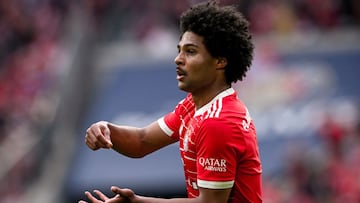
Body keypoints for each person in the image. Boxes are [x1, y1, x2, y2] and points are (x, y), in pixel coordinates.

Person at [79, 0, 262, 202]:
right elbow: (142, 141)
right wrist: (107, 130)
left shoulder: (217, 123)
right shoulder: (194, 105)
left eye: (190, 52)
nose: (178, 59)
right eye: (179, 50)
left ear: (220, 61)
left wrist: (137, 202)